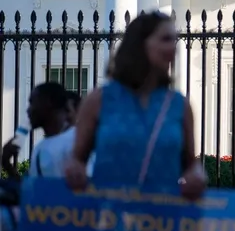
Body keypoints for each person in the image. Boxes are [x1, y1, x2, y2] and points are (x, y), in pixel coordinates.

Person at [65, 11, 207, 197]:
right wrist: (75, 171)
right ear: (140, 43)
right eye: (165, 39)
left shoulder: (179, 105)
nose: (174, 48)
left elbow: (192, 165)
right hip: (110, 215)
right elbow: (77, 159)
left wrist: (197, 177)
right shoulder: (98, 100)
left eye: (174, 40)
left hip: (162, 218)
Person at [1, 82, 78, 179]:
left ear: (49, 102)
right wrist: (6, 164)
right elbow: (34, 191)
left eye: (32, 102)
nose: (28, 110)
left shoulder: (76, 141)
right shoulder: (39, 148)